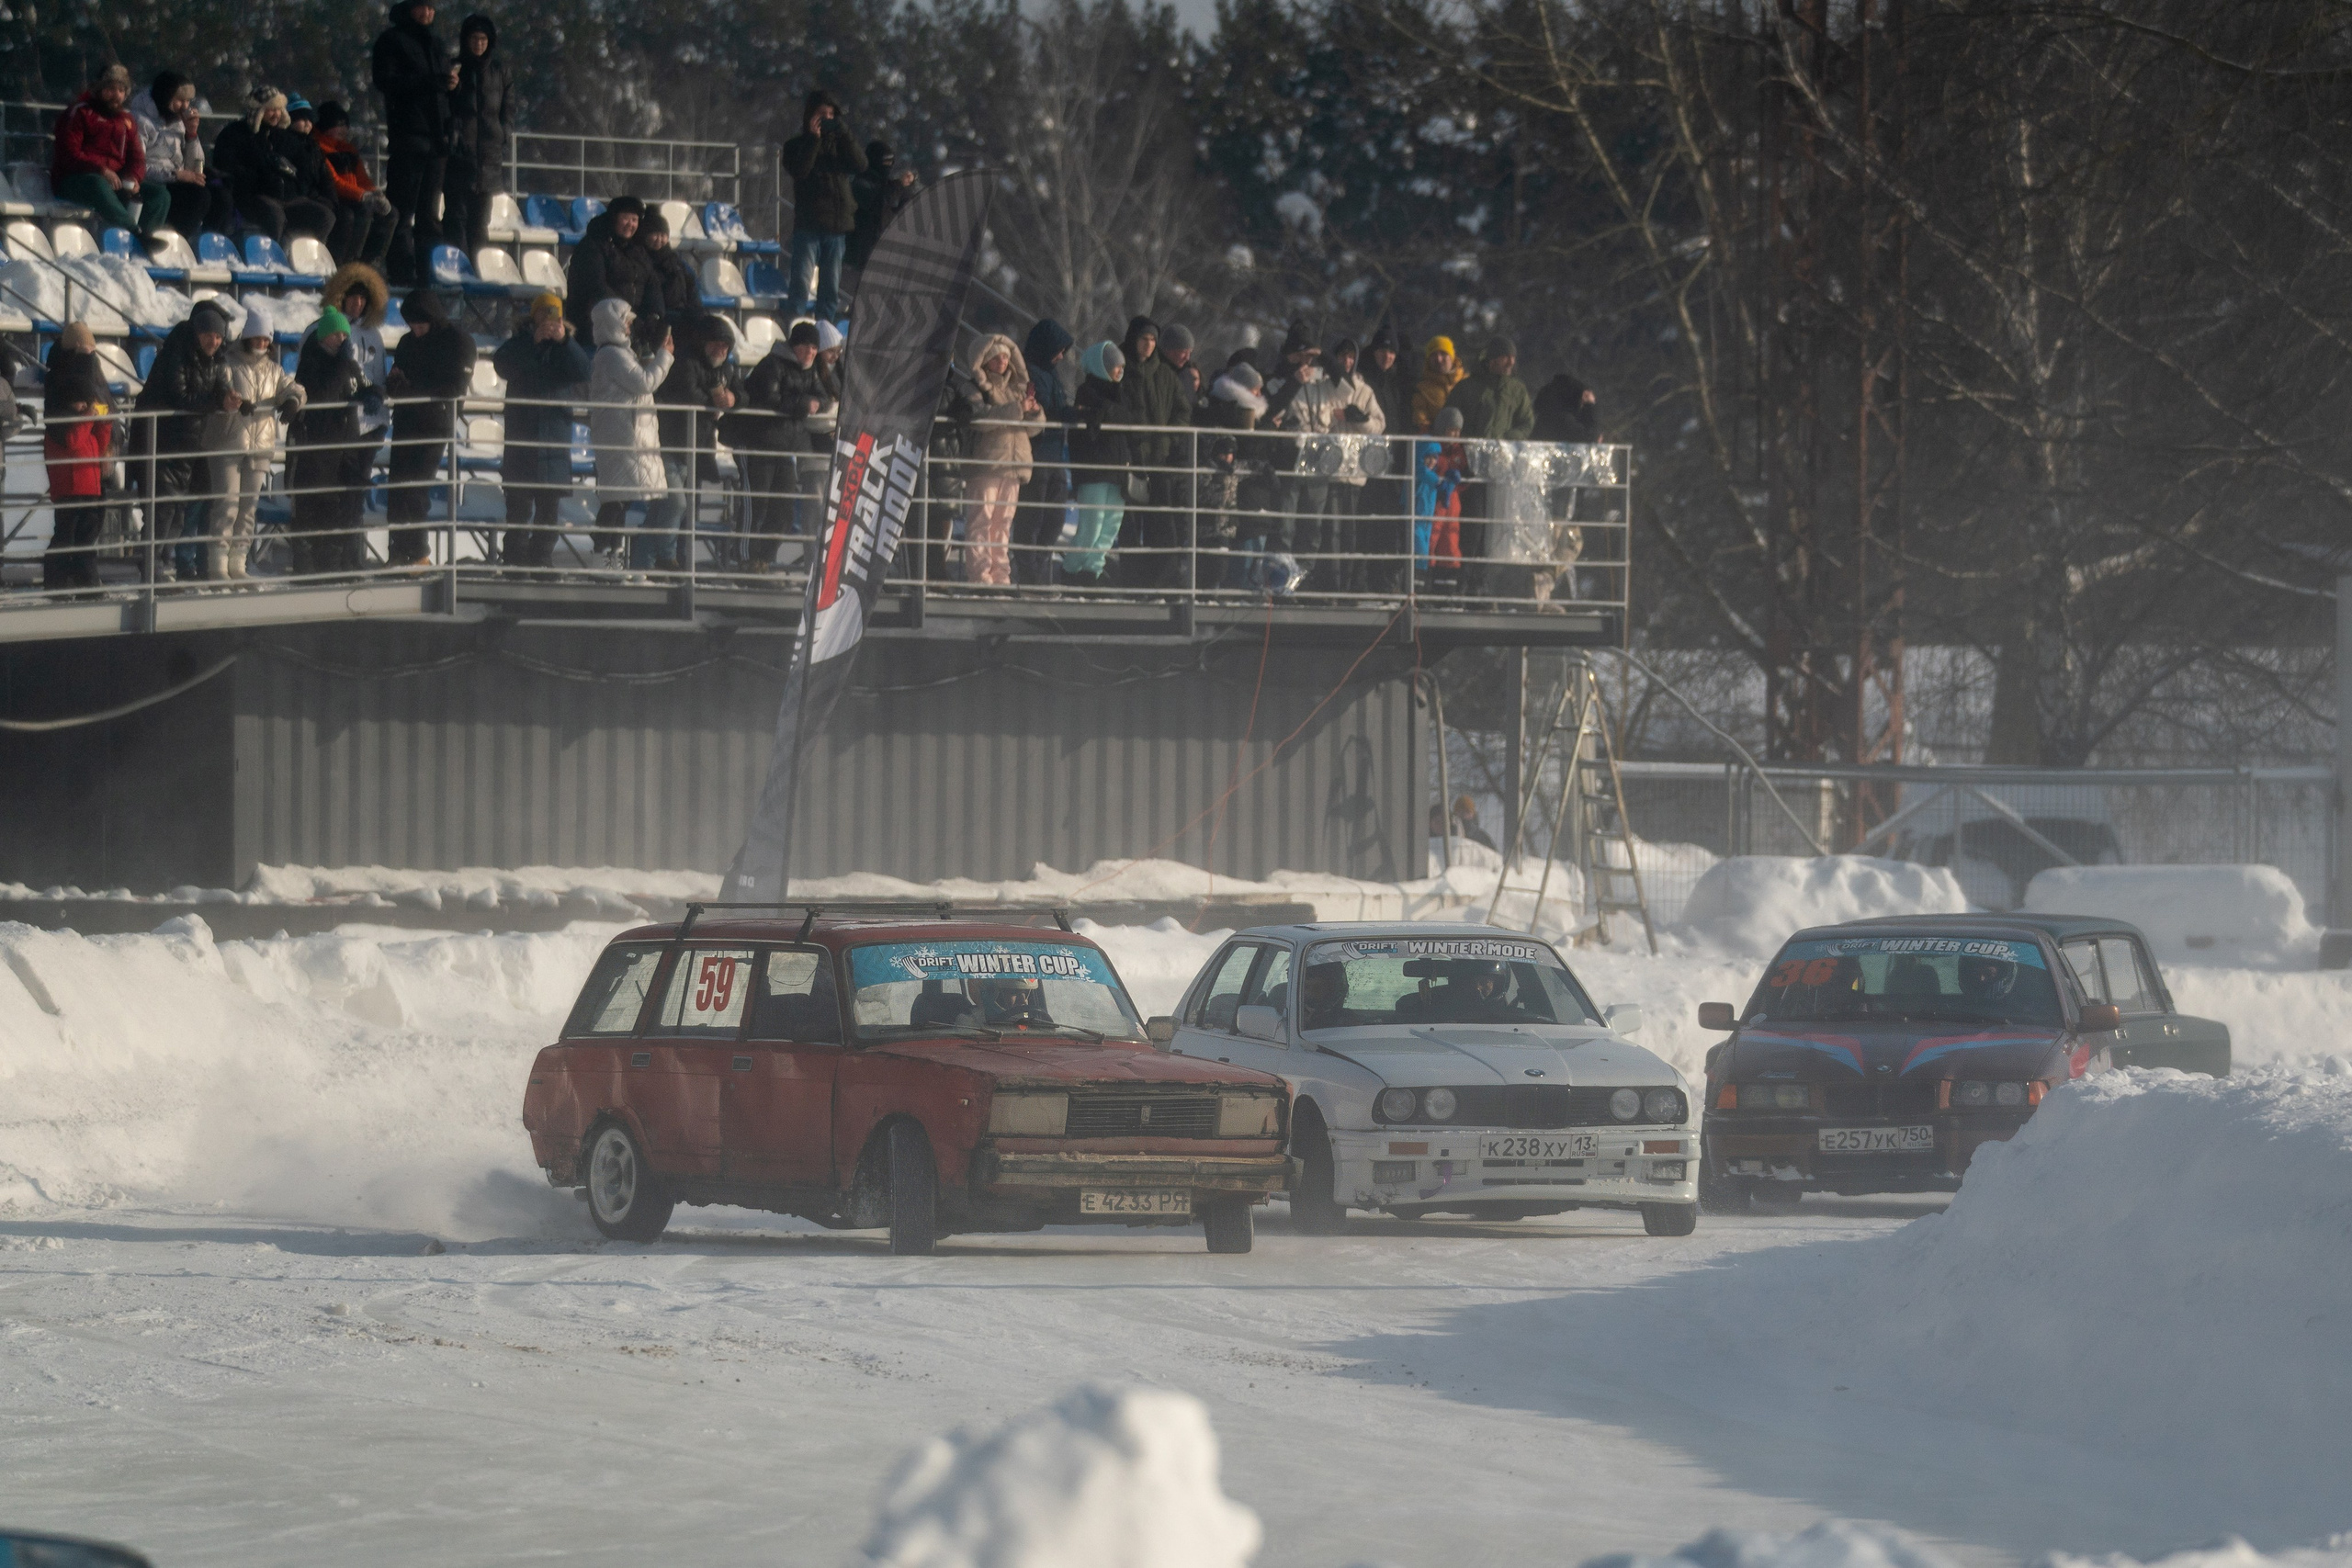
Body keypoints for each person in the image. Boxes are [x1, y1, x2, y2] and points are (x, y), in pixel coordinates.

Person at [133, 298, 239, 582]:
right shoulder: (176, 353)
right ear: (196, 332)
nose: (214, 341)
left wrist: (235, 400)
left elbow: (219, 389)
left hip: (188, 446)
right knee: (162, 510)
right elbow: (179, 396)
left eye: (218, 336)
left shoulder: (215, 361)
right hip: (160, 442)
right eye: (208, 335)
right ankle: (151, 569)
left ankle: (161, 566)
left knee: (179, 511)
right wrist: (217, 400)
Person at [492, 293, 593, 569]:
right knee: (519, 509)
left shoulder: (567, 348)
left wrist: (565, 341)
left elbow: (584, 371)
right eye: (544, 316)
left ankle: (541, 560)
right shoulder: (519, 343)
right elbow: (502, 364)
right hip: (522, 439)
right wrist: (531, 342)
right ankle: (514, 561)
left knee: (549, 511)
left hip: (555, 443)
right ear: (534, 317)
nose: (549, 322)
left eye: (555, 317)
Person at [734, 320, 835, 573]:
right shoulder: (772, 365)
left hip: (784, 447)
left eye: (814, 348)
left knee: (784, 509)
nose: (811, 353)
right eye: (806, 347)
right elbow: (769, 398)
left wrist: (815, 404)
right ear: (794, 346)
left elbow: (824, 397)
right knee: (755, 505)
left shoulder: (810, 370)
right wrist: (804, 404)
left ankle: (763, 560)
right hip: (758, 443)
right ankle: (745, 559)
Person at [383, 287, 473, 567]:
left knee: (416, 489)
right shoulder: (407, 343)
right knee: (398, 488)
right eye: (411, 324)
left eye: (420, 323)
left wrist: (413, 389)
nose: (416, 329)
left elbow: (455, 387)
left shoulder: (458, 341)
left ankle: (419, 552)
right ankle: (398, 552)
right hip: (406, 420)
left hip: (435, 422)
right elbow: (396, 377)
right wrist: (396, 384)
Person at [645, 316, 742, 571]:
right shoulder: (685, 361)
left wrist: (732, 398)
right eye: (715, 344)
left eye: (725, 346)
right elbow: (686, 393)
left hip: (698, 448)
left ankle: (669, 562)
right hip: (668, 443)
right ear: (704, 342)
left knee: (680, 511)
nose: (719, 350)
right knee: (675, 503)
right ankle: (666, 560)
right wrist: (714, 401)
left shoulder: (727, 369)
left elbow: (744, 394)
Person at [216, 303, 306, 581]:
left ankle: (238, 562)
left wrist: (292, 401)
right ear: (248, 337)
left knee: (248, 507)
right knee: (227, 505)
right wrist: (235, 403)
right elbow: (222, 388)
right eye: (258, 337)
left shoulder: (274, 370)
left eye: (267, 338)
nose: (262, 343)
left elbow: (295, 388)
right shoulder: (229, 363)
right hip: (231, 442)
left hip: (261, 444)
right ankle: (217, 563)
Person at [586, 297, 673, 570]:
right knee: (615, 500)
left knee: (620, 499)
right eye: (626, 322)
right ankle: (603, 559)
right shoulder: (612, 355)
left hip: (622, 433)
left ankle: (614, 558)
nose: (629, 327)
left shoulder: (619, 354)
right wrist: (665, 356)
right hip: (620, 435)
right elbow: (644, 382)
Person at [288, 306, 375, 575]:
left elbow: (361, 385)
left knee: (338, 509)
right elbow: (323, 396)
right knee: (312, 510)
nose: (341, 338)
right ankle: (307, 571)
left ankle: (334, 567)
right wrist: (342, 365)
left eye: (343, 333)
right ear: (324, 336)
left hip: (344, 446)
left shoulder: (347, 363)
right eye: (335, 334)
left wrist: (375, 393)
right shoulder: (312, 361)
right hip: (318, 447)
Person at [373, 0, 455, 284]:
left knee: (430, 217)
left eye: (432, 8)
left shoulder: (437, 43)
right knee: (402, 212)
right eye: (422, 7)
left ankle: (428, 276)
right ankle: (401, 275)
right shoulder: (392, 41)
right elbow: (385, 80)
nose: (427, 13)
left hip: (436, 141)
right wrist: (429, 82)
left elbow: (441, 89)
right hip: (408, 137)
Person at [1446, 335, 1534, 594]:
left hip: (1501, 469)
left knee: (1495, 530)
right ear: (1492, 359)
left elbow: (1526, 423)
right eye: (1505, 356)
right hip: (1470, 468)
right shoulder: (1468, 387)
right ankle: (1462, 584)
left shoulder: (1516, 390)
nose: (1510, 362)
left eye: (1513, 357)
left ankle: (1481, 586)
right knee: (1472, 525)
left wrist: (1506, 441)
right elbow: (1450, 419)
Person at [956, 333, 1042, 586]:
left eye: (1006, 356)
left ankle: (1001, 576)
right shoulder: (972, 387)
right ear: (983, 361)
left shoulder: (1017, 390)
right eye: (996, 357)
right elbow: (980, 420)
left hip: (1013, 465)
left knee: (1003, 525)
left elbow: (1034, 429)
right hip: (986, 464)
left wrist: (1035, 412)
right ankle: (980, 576)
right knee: (980, 521)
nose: (1002, 361)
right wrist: (1017, 410)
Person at [52, 64, 169, 242]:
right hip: (76, 179)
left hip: (114, 181)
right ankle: (134, 233)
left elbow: (137, 157)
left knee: (159, 195)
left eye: (121, 90)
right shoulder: (81, 113)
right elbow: (69, 153)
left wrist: (134, 178)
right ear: (99, 89)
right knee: (98, 184)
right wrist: (101, 170)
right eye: (110, 89)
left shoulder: (126, 120)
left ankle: (146, 239)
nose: (117, 95)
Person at [780, 90, 866, 323]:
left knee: (829, 292)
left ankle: (825, 336)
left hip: (836, 228)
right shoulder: (795, 146)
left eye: (831, 115)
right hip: (809, 226)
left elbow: (861, 164)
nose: (827, 119)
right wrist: (813, 140)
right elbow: (800, 170)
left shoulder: (841, 148)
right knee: (800, 285)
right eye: (822, 114)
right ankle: (794, 331)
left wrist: (844, 133)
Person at [1117, 316, 1191, 589]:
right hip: (1129, 458)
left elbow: (1183, 411)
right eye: (1143, 339)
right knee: (1129, 526)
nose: (1148, 345)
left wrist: (1169, 438)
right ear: (1133, 340)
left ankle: (1161, 583)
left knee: (1163, 524)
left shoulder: (1166, 375)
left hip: (1159, 459)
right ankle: (1132, 582)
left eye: (1152, 340)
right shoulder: (1120, 369)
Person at [41, 325, 113, 590]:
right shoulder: (61, 421)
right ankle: (57, 583)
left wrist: (104, 423)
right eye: (81, 402)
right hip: (71, 488)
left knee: (86, 540)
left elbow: (98, 443)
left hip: (90, 486)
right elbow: (73, 442)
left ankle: (86, 582)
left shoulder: (83, 416)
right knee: (66, 538)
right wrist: (88, 419)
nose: (86, 406)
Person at [213, 87, 334, 245]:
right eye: (271, 110)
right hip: (253, 197)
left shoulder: (284, 138)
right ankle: (272, 256)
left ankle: (306, 255)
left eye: (279, 109)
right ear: (258, 111)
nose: (276, 114)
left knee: (325, 216)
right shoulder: (236, 134)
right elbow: (227, 167)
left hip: (288, 198)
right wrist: (262, 178)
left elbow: (304, 167)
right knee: (275, 216)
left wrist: (297, 185)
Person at [444, 13, 510, 260]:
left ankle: (479, 270)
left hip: (490, 157)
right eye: (473, 38)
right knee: (456, 217)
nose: (478, 44)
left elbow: (508, 108)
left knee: (480, 221)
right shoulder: (454, 67)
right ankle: (456, 268)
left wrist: (504, 133)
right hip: (460, 152)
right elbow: (444, 106)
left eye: (483, 39)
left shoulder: (501, 72)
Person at [1060, 340, 1127, 587]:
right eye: (1114, 366)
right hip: (1095, 469)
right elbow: (1102, 419)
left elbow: (1122, 416)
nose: (1119, 371)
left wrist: (1107, 412)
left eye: (1121, 366)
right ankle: (1069, 570)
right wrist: (1108, 412)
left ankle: (1093, 570)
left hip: (1118, 469)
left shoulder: (1120, 392)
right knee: (1091, 526)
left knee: (1110, 526)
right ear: (1100, 367)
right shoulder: (1087, 390)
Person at [1012, 317, 1073, 586]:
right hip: (1035, 453)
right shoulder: (1029, 371)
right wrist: (1069, 413)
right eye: (1058, 349)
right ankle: (1029, 573)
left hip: (1055, 454)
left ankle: (1039, 567)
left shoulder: (1052, 373)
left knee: (1055, 517)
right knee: (1032, 517)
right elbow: (1041, 407)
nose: (1061, 356)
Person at [1201, 358, 1269, 587]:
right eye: (1255, 389)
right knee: (1229, 559)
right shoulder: (1228, 411)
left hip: (1245, 495)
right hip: (1226, 496)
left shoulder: (1253, 414)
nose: (1259, 393)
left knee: (1243, 555)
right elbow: (1241, 450)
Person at [128, 71, 220, 239]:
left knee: (216, 193)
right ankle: (171, 237)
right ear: (166, 97)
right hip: (152, 180)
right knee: (198, 197)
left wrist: (192, 134)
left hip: (175, 178)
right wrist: (175, 175)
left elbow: (194, 165)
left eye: (188, 101)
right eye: (180, 100)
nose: (185, 106)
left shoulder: (179, 121)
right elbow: (138, 164)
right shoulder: (140, 120)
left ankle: (199, 240)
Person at [314, 102, 395, 267]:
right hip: (337, 198)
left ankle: (371, 262)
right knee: (358, 213)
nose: (343, 130)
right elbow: (334, 181)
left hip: (354, 196)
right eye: (338, 126)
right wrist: (363, 195)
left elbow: (362, 179)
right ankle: (348, 261)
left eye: (345, 126)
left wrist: (375, 193)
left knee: (391, 214)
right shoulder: (319, 148)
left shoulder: (348, 150)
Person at [564, 195, 652, 336]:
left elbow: (651, 283)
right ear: (614, 218)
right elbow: (596, 287)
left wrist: (654, 314)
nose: (630, 224)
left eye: (634, 220)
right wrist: (626, 315)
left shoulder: (637, 249)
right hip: (597, 323)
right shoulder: (592, 246)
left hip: (630, 322)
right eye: (626, 218)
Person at [1414, 405, 1465, 591]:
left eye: (1458, 431)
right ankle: (1423, 587)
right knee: (1431, 541)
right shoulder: (1434, 449)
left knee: (1450, 543)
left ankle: (1447, 591)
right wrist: (1443, 478)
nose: (1454, 435)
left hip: (1452, 503)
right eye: (1451, 430)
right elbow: (1428, 471)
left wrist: (1463, 479)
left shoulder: (1460, 452)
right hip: (1436, 502)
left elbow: (1465, 475)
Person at [846, 139, 914, 274]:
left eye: (890, 163)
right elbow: (878, 201)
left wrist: (906, 190)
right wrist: (899, 185)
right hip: (859, 249)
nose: (888, 166)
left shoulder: (885, 185)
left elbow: (897, 212)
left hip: (881, 248)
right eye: (885, 162)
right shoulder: (862, 181)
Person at [636, 209, 705, 333]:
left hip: (682, 314)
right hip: (660, 318)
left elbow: (691, 286)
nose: (659, 239)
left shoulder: (675, 260)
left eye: (663, 235)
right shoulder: (639, 259)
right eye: (655, 234)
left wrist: (695, 311)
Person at [1410, 335, 1464, 433]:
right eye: (1434, 355)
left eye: (1443, 354)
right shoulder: (1422, 390)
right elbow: (1420, 417)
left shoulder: (1465, 383)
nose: (1439, 359)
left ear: (1452, 357)